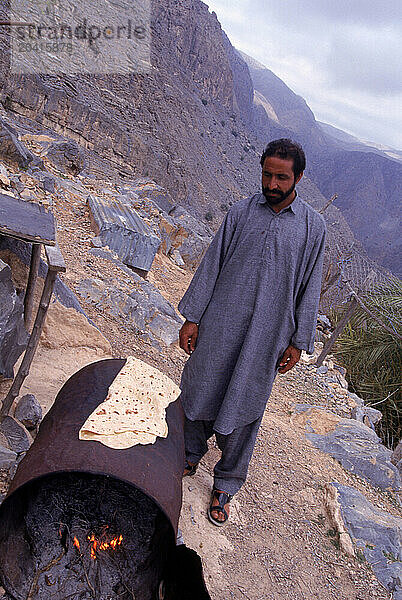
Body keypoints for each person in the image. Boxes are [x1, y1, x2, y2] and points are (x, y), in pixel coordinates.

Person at [177, 139, 326, 526]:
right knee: (201, 384)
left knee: (246, 403)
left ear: (299, 178)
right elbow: (213, 264)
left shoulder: (313, 228)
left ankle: (225, 482)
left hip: (268, 336)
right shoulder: (242, 213)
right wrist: (192, 316)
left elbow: (310, 287)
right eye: (267, 174)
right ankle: (189, 453)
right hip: (222, 322)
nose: (272, 184)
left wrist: (299, 341)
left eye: (281, 177)